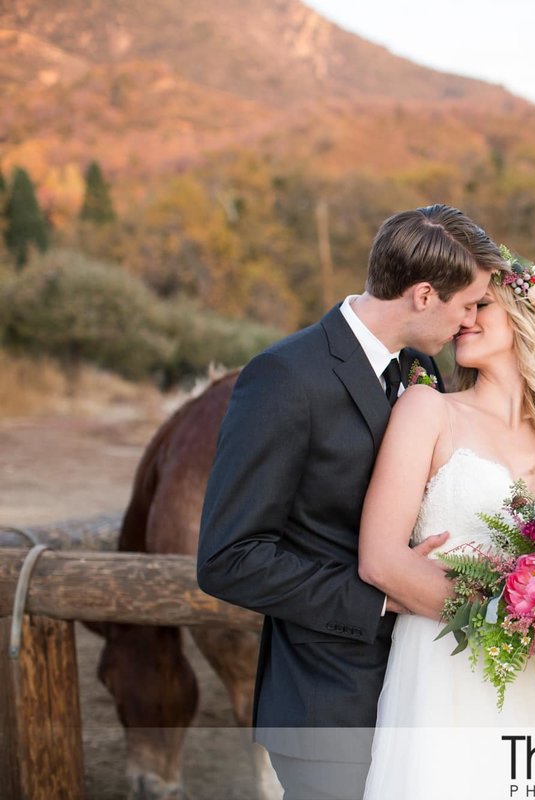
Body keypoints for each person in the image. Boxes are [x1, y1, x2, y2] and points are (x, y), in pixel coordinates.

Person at [196, 204, 508, 800]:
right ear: (422, 296)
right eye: (467, 305)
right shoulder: (284, 377)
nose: (470, 320)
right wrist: (383, 592)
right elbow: (229, 558)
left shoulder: (418, 367)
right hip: (328, 703)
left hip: (422, 691)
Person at [358, 255, 535, 798]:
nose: (463, 318)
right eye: (461, 307)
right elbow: (379, 558)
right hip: (451, 671)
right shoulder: (428, 410)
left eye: (480, 305)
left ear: (528, 316)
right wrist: (503, 622)